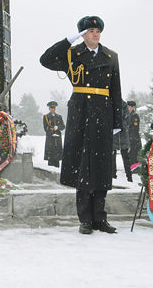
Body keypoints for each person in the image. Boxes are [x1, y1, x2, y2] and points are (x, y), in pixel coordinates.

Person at [40, 15, 122, 234]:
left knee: (102, 166)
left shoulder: (111, 56)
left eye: (97, 31)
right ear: (82, 34)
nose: (95, 34)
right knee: (83, 166)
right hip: (81, 112)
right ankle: (85, 219)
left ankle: (100, 219)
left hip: (103, 113)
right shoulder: (72, 54)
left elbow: (115, 90)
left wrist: (117, 121)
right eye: (90, 31)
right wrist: (68, 40)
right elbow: (45, 59)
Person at [113, 100, 132, 182]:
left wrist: (120, 125)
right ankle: (113, 176)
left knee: (126, 158)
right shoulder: (110, 102)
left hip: (123, 135)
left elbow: (127, 120)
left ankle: (129, 177)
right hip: (113, 135)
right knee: (112, 158)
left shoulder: (123, 105)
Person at [42, 101, 65, 167]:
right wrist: (52, 132)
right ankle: (51, 169)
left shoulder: (59, 117)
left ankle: (57, 167)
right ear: (49, 108)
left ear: (55, 109)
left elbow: (63, 126)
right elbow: (46, 128)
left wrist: (58, 127)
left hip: (58, 138)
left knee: (57, 155)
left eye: (54, 108)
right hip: (50, 138)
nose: (52, 109)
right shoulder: (46, 117)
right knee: (51, 155)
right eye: (51, 108)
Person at [127, 100, 142, 164]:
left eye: (129, 107)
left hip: (134, 138)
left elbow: (135, 128)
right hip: (128, 137)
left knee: (134, 153)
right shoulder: (127, 115)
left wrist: (128, 129)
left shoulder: (135, 116)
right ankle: (131, 165)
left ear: (133, 107)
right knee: (129, 154)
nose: (128, 108)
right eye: (127, 107)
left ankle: (134, 166)